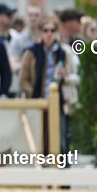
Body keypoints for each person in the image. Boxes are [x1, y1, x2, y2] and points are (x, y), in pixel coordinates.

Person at [19, 15, 79, 154]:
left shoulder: (64, 52)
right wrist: (35, 94)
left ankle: (62, 169)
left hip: (59, 101)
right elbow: (23, 80)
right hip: (37, 102)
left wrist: (65, 76)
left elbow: (73, 76)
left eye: (52, 30)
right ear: (41, 32)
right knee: (38, 139)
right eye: (45, 30)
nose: (49, 34)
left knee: (61, 139)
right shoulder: (31, 52)